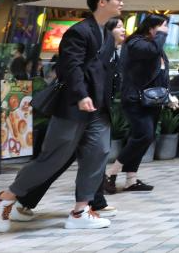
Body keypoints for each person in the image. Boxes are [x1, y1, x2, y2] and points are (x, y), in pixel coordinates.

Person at [0, 0, 122, 232]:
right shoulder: (79, 31)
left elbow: (104, 72)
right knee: (54, 158)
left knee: (98, 154)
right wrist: (81, 95)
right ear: (102, 2)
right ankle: (4, 198)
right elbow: (70, 67)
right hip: (74, 106)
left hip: (98, 109)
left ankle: (80, 211)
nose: (121, 2)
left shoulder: (107, 36)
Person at [13, 18, 126, 221]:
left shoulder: (114, 52)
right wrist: (83, 97)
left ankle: (91, 203)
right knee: (57, 161)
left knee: (95, 156)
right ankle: (17, 199)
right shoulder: (89, 42)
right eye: (118, 26)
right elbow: (75, 71)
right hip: (76, 110)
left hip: (95, 112)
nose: (124, 30)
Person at [104, 13, 177, 194]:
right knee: (144, 135)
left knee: (144, 137)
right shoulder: (136, 43)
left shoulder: (154, 45)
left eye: (166, 27)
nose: (166, 31)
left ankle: (131, 180)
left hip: (152, 101)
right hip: (135, 100)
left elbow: (160, 74)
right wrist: (161, 35)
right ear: (151, 27)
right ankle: (111, 172)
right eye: (162, 27)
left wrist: (167, 96)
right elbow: (150, 51)